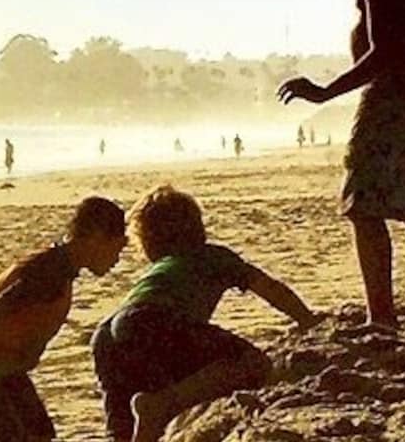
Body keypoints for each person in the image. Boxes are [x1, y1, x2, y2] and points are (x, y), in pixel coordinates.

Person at [277, 0, 405, 327]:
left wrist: (325, 93)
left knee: (364, 206)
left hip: (392, 91)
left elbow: (386, 50)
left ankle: (382, 316)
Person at [90, 186, 318, 442]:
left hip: (106, 334)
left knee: (123, 416)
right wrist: (306, 319)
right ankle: (165, 403)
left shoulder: (157, 271)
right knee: (253, 363)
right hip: (155, 317)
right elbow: (269, 288)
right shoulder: (213, 256)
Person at [0, 197, 129, 442]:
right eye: (117, 248)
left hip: (6, 369)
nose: (117, 260)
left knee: (42, 434)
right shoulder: (49, 272)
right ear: (96, 237)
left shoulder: (62, 268)